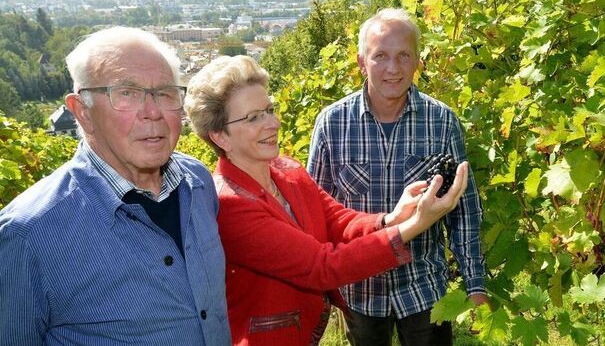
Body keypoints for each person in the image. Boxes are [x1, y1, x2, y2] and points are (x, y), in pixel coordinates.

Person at [183, 55, 470, 346]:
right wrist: (415, 225)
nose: (273, 123)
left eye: (269, 110)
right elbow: (322, 267)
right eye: (254, 117)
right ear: (220, 136)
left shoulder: (287, 169)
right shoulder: (232, 205)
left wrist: (392, 218)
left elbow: (336, 219)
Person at [0, 27, 231, 345]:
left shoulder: (199, 183)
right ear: (82, 111)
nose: (153, 113)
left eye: (164, 93)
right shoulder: (28, 234)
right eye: (127, 93)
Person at [307, 8, 489, 346]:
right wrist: (317, 287)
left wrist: (474, 285)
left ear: (418, 60)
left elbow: (464, 211)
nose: (393, 68)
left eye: (404, 55)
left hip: (423, 288)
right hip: (360, 291)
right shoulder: (332, 124)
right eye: (381, 56)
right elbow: (315, 213)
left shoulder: (441, 121)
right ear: (362, 62)